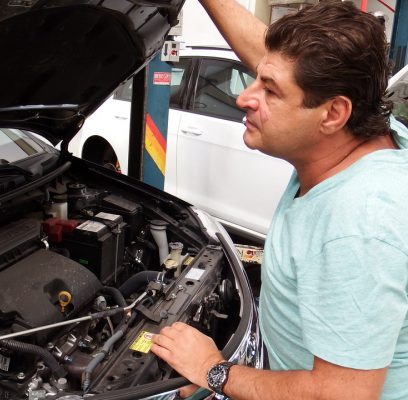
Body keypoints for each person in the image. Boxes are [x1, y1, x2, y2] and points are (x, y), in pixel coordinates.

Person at [150, 1, 408, 399]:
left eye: (269, 91)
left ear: (333, 114)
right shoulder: (367, 128)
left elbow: (343, 395)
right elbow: (281, 66)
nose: (244, 98)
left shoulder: (357, 227)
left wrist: (213, 371)